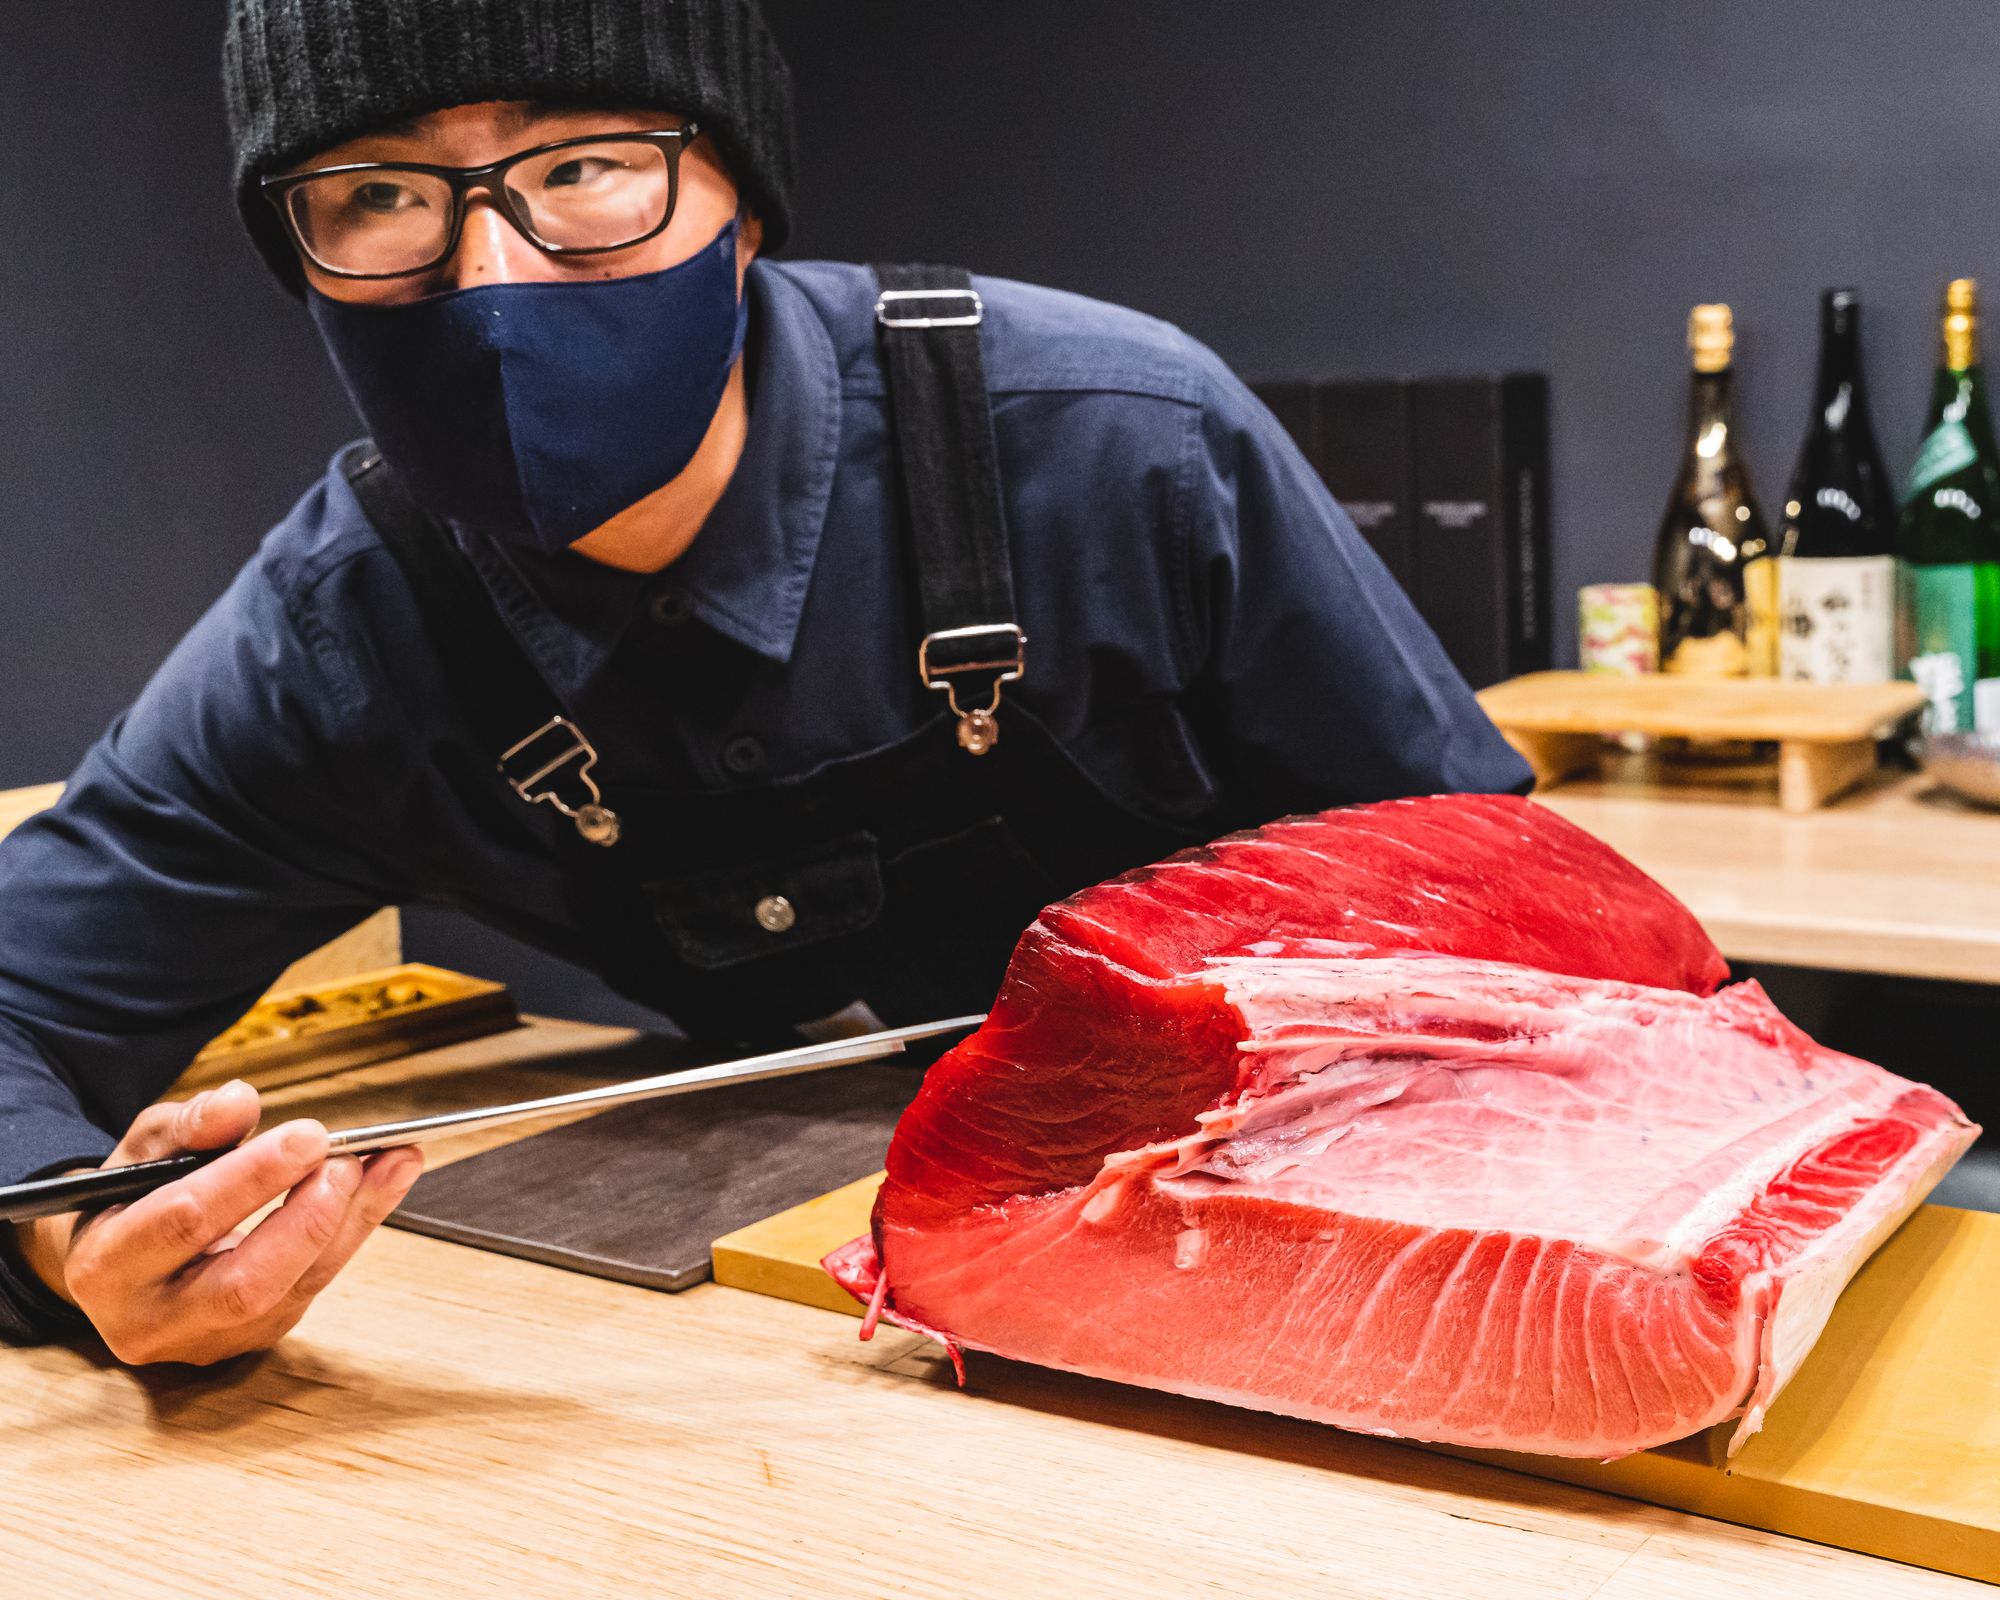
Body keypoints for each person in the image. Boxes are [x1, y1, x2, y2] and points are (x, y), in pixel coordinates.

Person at [0, 0, 1530, 1364]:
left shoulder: (1122, 447)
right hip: (784, 1358)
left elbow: (1521, 946)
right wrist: (74, 1249)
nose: (493, 272)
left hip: (1290, 1294)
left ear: (740, 206)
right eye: (384, 194)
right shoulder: (342, 638)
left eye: (584, 167)